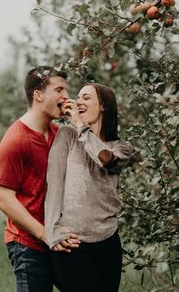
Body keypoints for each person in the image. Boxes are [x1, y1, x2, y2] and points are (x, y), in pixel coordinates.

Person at [0, 66, 80, 292]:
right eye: (59, 89)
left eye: (66, 90)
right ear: (39, 95)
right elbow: (3, 199)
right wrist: (46, 234)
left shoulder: (57, 134)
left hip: (56, 239)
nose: (66, 96)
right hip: (28, 244)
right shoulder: (16, 140)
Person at [45, 83, 133, 292]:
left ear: (103, 105)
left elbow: (106, 160)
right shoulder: (67, 135)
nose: (78, 102)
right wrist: (53, 232)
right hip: (73, 243)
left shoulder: (121, 148)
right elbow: (54, 187)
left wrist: (80, 125)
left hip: (108, 242)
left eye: (86, 98)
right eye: (78, 97)